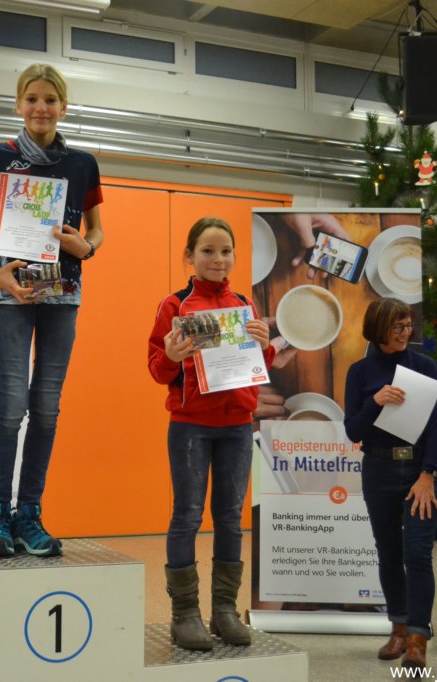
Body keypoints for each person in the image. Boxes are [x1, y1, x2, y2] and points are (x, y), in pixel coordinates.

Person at [0, 63, 104, 558]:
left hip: (63, 294)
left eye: (50, 99)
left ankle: (29, 514)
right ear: (18, 104)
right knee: (11, 404)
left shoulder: (83, 163)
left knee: (46, 408)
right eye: (32, 99)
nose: (41, 108)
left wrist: (86, 247)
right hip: (13, 294)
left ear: (63, 106)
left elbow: (97, 229)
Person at [147, 216, 274, 650]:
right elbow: (157, 370)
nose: (218, 259)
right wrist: (170, 355)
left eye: (225, 251)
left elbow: (257, 367)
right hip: (190, 427)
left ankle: (224, 612)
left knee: (230, 518)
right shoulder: (175, 305)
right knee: (187, 515)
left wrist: (265, 346)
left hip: (237, 425)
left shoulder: (244, 304)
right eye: (207, 251)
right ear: (189, 256)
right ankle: (184, 615)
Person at [343, 297, 437, 671]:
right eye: (397, 327)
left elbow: (436, 426)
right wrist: (376, 401)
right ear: (378, 328)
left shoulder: (425, 366)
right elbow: (353, 430)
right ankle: (398, 628)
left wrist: (428, 474)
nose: (405, 333)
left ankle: (418, 638)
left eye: (408, 326)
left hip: (421, 470)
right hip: (379, 469)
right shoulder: (359, 372)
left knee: (417, 552)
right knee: (388, 552)